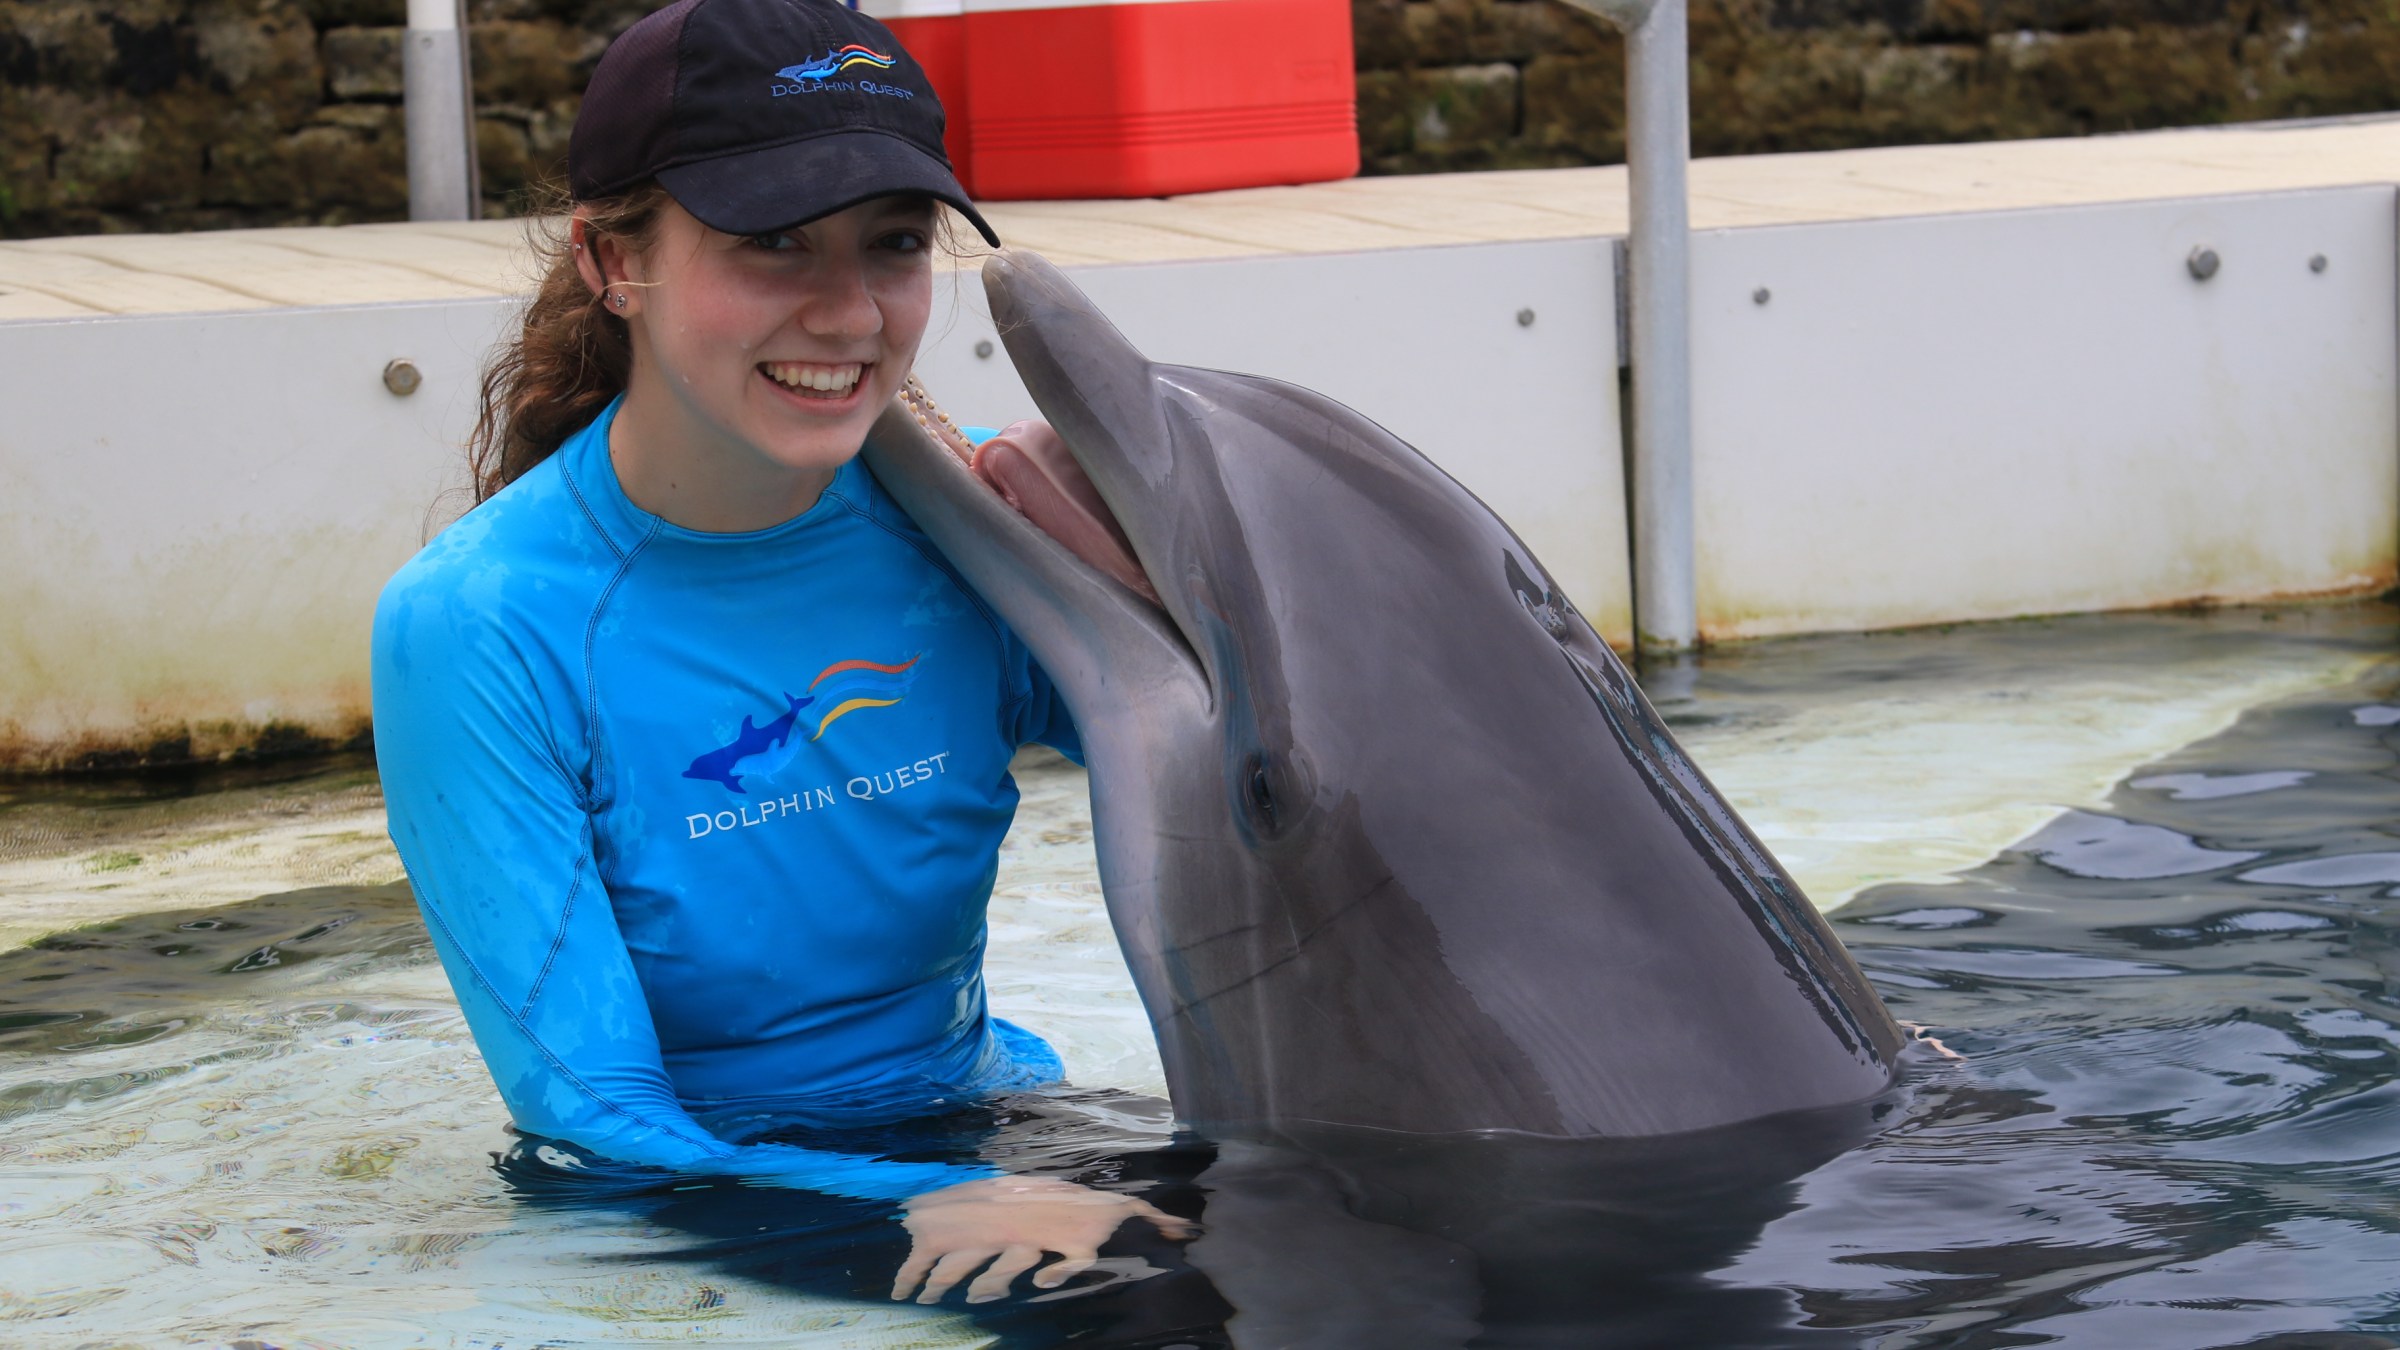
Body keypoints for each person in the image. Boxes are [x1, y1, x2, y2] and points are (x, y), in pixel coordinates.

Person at [369, 0, 1187, 1310]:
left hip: (988, 1110)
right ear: (610, 263)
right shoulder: (481, 625)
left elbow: (1236, 769)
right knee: (1147, 1306)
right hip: (694, 1187)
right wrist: (918, 1197)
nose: (852, 312)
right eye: (770, 246)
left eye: (895, 243)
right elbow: (591, 1114)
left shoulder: (967, 526)